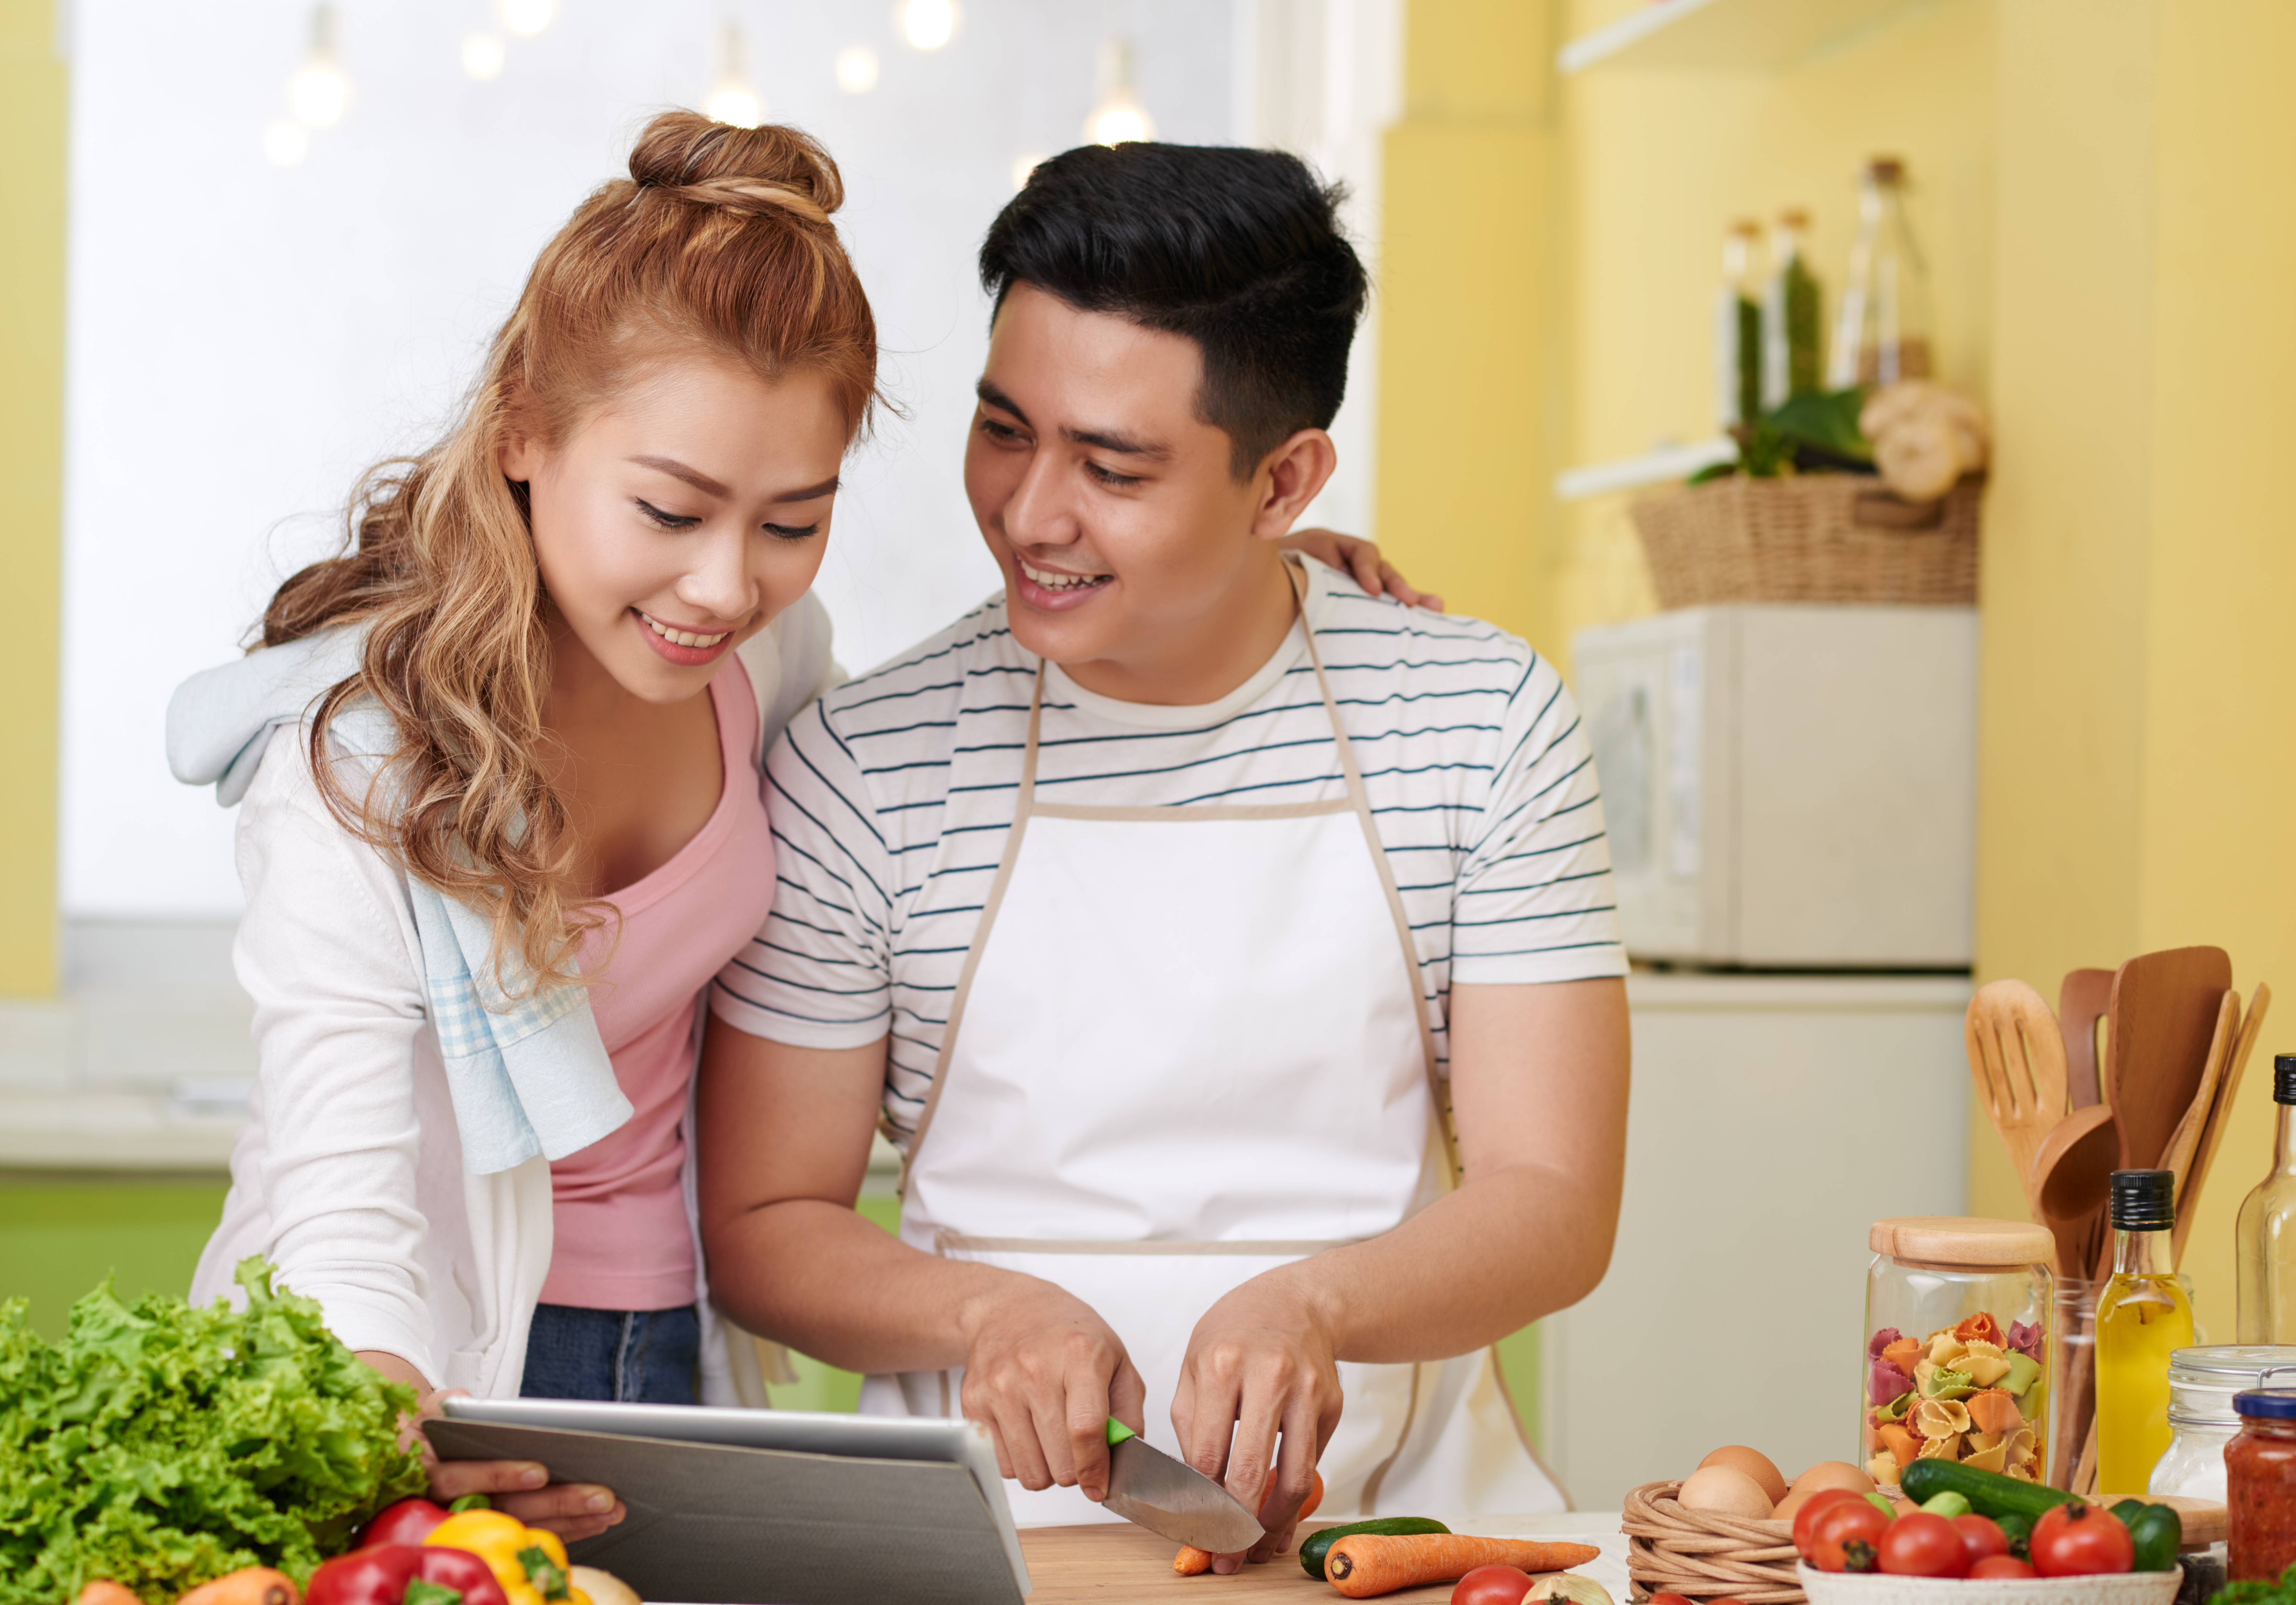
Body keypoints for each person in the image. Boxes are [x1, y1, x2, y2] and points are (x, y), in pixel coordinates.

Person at [164, 113, 1415, 1543]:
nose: (720, 584)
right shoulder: (352, 761)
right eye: (670, 509)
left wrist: (1249, 562)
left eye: (789, 521)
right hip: (408, 1366)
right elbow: (342, 1180)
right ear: (523, 429)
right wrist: (382, 1424)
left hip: (674, 1359)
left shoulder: (764, 661)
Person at [699, 142, 1633, 1568]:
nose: (1029, 513)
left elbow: (1553, 1203)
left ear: (1285, 485)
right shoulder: (866, 761)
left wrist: (1313, 1305)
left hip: (1403, 1524)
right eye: (1004, 429)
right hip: (989, 1543)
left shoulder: (1479, 722)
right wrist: (985, 1315)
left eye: (1112, 466)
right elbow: (763, 1219)